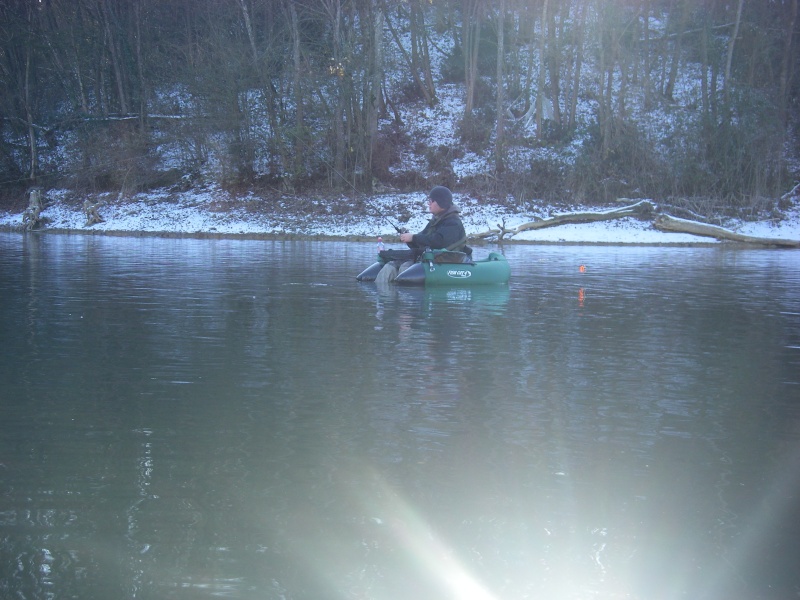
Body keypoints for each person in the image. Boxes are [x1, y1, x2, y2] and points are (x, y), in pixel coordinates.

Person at [376, 185, 468, 283]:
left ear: (441, 202)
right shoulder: (435, 221)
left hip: (446, 261)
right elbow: (422, 240)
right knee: (390, 266)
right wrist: (409, 239)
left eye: (431, 201)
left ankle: (404, 296)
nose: (429, 204)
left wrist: (413, 238)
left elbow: (438, 241)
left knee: (405, 267)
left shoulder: (453, 223)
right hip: (430, 259)